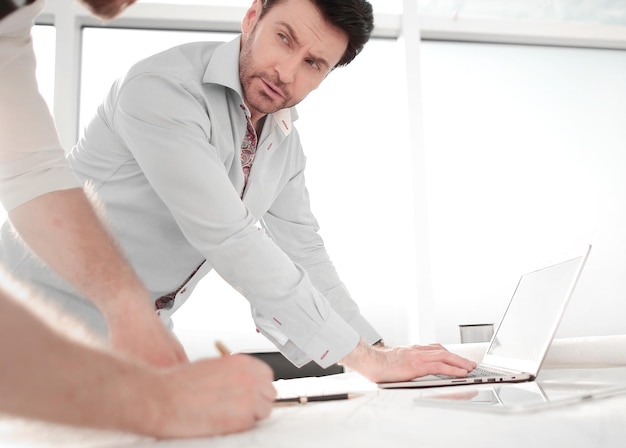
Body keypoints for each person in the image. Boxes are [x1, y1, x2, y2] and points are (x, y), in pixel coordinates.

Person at [0, 0, 476, 386]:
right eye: (283, 38)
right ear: (252, 17)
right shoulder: (162, 89)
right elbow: (229, 237)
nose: (286, 72)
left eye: (313, 63)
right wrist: (363, 360)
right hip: (34, 309)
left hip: (140, 326)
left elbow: (305, 252)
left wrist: (377, 354)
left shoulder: (283, 143)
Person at [0, 0, 275, 437]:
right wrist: (151, 402)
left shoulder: (10, 24)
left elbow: (29, 172)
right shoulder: (160, 87)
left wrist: (128, 310)